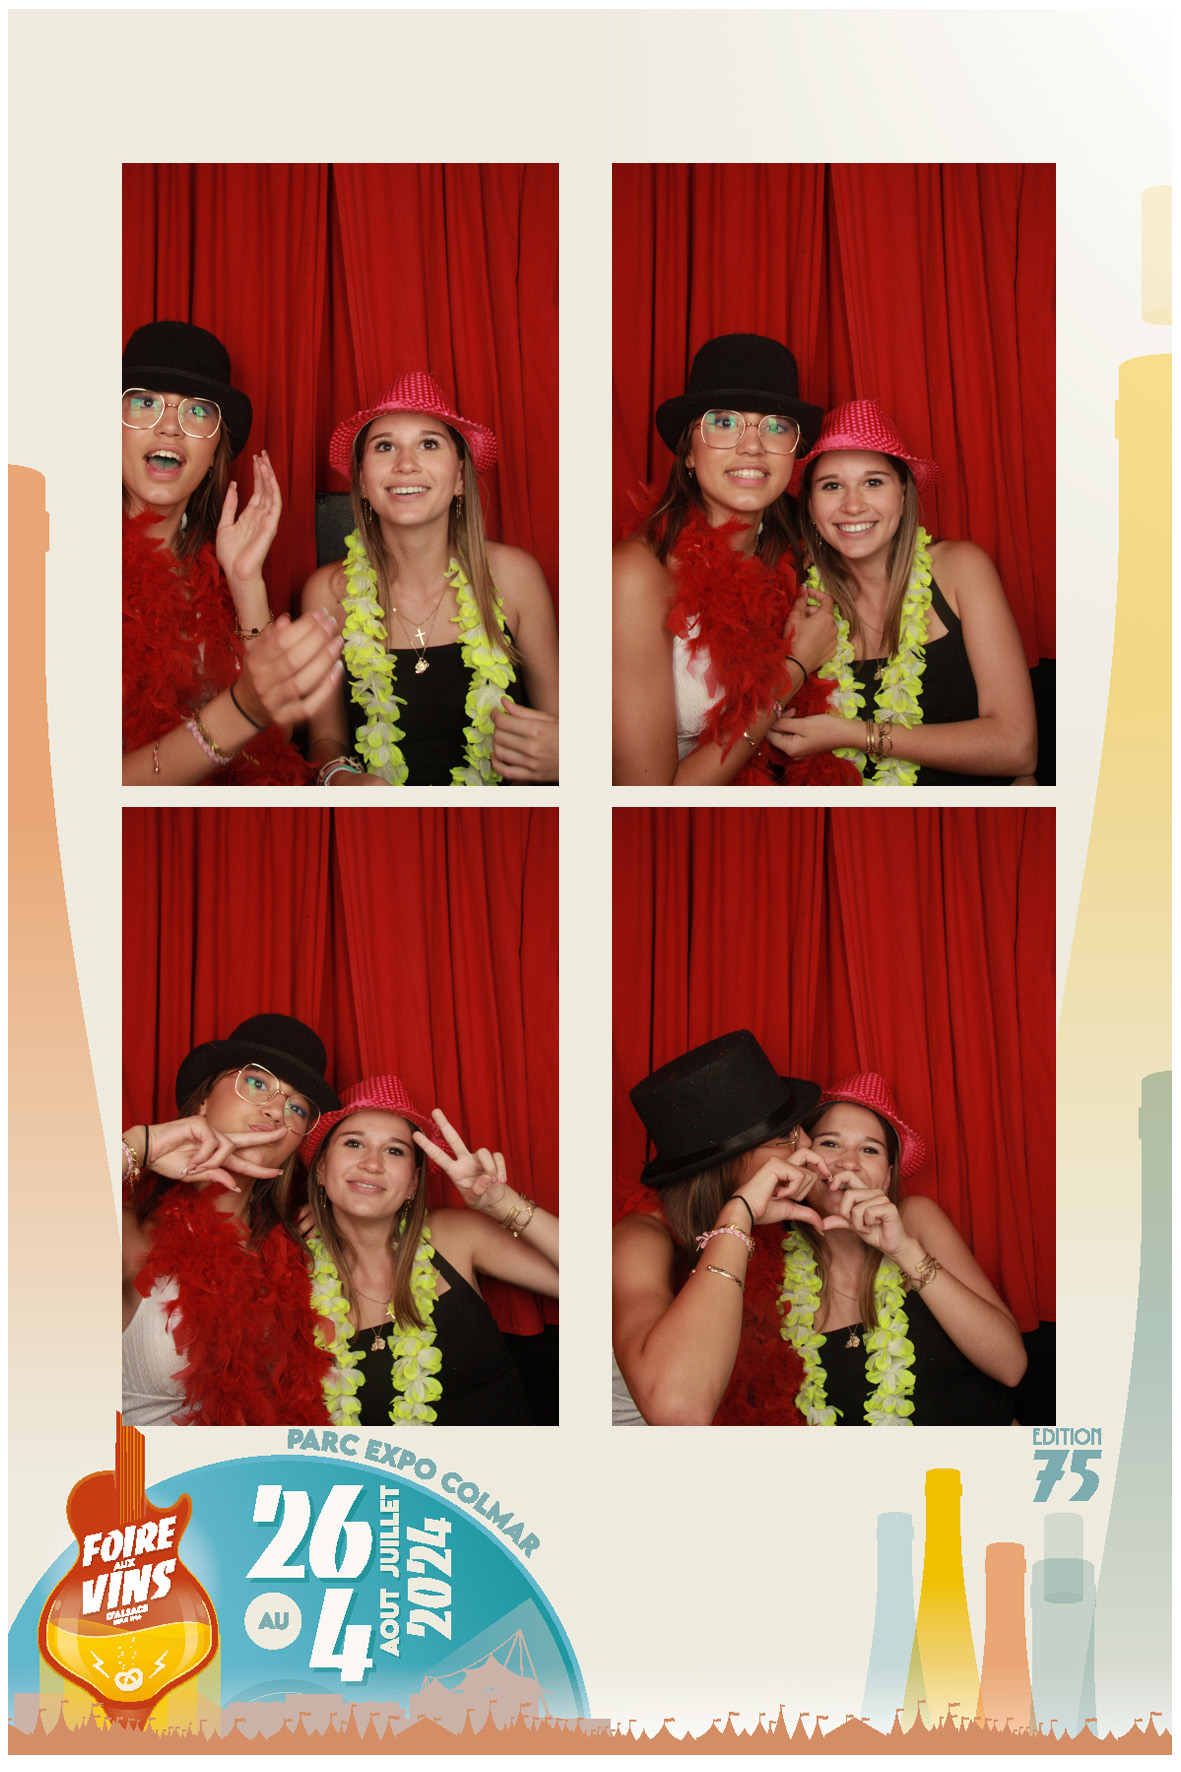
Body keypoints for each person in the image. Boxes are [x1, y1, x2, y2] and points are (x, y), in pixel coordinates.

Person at [301, 372, 559, 786]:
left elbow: (559, 721)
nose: (406, 464)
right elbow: (325, 740)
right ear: (362, 481)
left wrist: (568, 754)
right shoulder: (327, 594)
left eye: (428, 444)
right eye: (385, 446)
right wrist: (339, 776)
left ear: (459, 478)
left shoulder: (516, 578)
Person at [767, 400, 1038, 786]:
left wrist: (851, 734)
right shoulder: (796, 596)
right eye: (832, 486)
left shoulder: (961, 569)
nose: (853, 505)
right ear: (811, 505)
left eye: (873, 482)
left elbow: (1017, 749)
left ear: (904, 493)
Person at [612, 334, 840, 786]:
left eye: (775, 427)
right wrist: (794, 668)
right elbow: (652, 796)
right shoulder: (635, 577)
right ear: (688, 452)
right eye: (723, 422)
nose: (752, 446)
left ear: (793, 453)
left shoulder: (801, 559)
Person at [122, 321, 343, 785]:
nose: (169, 427)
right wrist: (240, 709)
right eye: (145, 403)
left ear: (213, 454)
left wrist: (245, 580)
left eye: (197, 411)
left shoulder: (214, 568)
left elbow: (275, 739)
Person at [299, 1076, 559, 1426]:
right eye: (354, 1144)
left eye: (394, 1151)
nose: (372, 1163)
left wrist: (499, 1202)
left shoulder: (453, 1237)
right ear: (321, 1169)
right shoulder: (292, 1279)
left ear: (413, 1183)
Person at [121, 1014, 341, 1425]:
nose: (276, 1111)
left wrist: (338, 1210)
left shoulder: (300, 1257)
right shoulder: (132, 1233)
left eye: (296, 1107)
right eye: (257, 1083)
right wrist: (138, 1147)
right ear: (204, 1099)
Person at [612, 1031, 838, 1425]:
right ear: (728, 1165)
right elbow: (679, 1412)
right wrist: (739, 1214)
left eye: (800, 1126)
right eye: (786, 1135)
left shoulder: (781, 1224)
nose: (806, 1143)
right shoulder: (639, 1239)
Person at [781, 1074, 1028, 1424]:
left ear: (887, 1177)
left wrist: (904, 1251)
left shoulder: (916, 1219)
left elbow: (1011, 1367)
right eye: (831, 1144)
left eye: (869, 1149)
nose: (848, 1162)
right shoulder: (772, 1266)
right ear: (804, 1160)